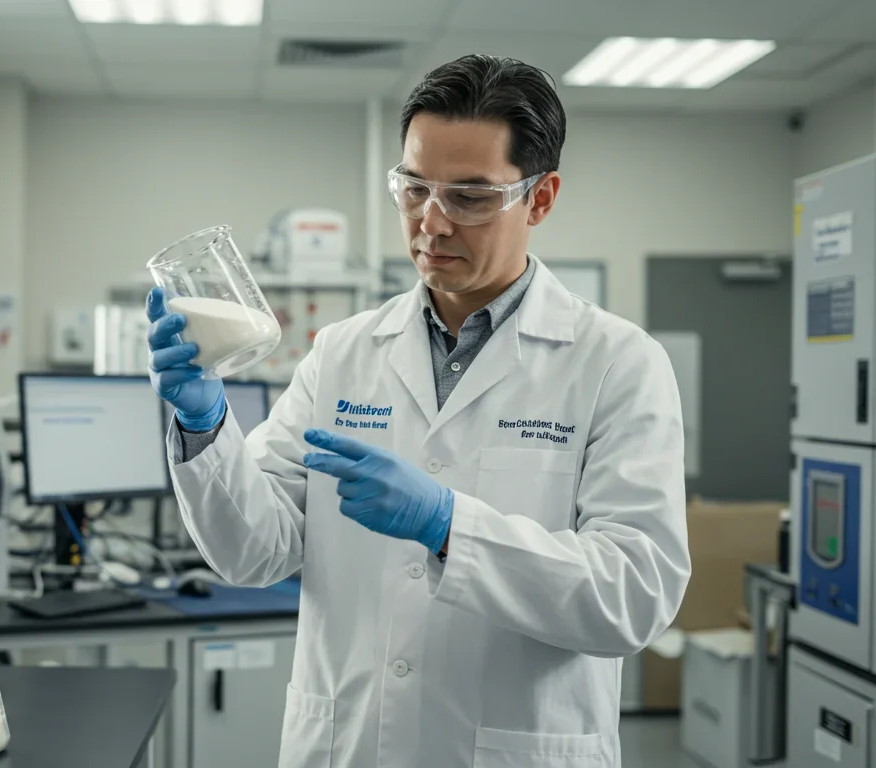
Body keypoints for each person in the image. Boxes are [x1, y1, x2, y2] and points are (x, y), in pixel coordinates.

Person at [146, 54, 689, 768]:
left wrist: (448, 526)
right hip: (350, 744)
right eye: (413, 188)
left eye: (469, 196)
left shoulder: (617, 362)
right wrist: (203, 422)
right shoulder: (343, 353)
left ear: (542, 197)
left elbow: (634, 595)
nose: (430, 222)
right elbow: (255, 551)